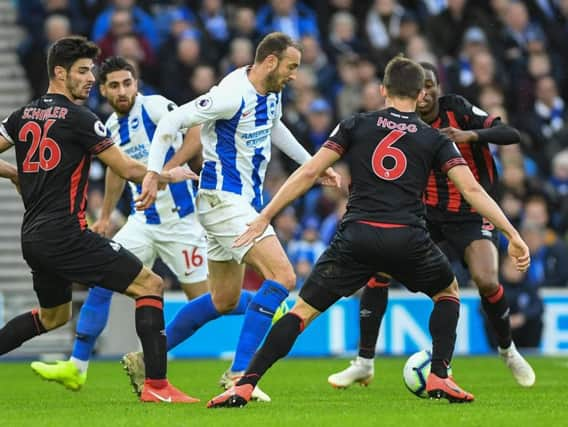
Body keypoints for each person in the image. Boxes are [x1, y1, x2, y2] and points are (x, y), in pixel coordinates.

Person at [206, 56, 530, 408]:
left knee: (301, 312)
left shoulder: (355, 124)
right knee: (448, 292)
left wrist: (265, 215)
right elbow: (473, 191)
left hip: (356, 236)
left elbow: (309, 172)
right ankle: (439, 373)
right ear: (419, 91)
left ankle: (245, 384)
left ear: (383, 90)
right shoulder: (433, 138)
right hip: (408, 238)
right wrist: (512, 234)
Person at [133, 32, 340, 401]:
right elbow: (171, 124)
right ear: (271, 61)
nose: (295, 75)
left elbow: (274, 127)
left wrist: (313, 164)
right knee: (283, 275)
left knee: (224, 299)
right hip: (224, 201)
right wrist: (153, 172)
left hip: (234, 202)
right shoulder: (230, 94)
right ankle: (241, 374)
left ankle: (146, 358)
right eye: (292, 66)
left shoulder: (270, 92)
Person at [28, 56, 254, 392]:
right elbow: (116, 170)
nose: (122, 91)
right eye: (114, 85)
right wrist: (105, 216)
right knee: (102, 283)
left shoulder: (154, 106)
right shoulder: (110, 126)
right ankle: (77, 366)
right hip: (142, 222)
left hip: (182, 223)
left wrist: (163, 173)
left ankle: (265, 305)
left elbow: (194, 130)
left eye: (127, 83)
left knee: (215, 300)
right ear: (103, 89)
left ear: (137, 84)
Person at [0, 36, 197, 403]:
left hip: (33, 237)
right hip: (66, 234)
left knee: (53, 317)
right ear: (59, 73)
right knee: (150, 285)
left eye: (91, 70)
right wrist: (166, 174)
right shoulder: (81, 119)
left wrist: (15, 173)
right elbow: (126, 168)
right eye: (83, 71)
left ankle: (102, 371)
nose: (91, 78)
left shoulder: (21, 115)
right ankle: (157, 387)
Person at [328, 62, 537, 389]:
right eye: (419, 87)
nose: (424, 94)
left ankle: (507, 349)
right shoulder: (402, 122)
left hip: (470, 212)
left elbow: (511, 133)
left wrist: (470, 135)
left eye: (430, 86)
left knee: (485, 279)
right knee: (379, 270)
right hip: (425, 212)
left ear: (438, 86)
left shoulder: (457, 109)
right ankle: (364, 361)